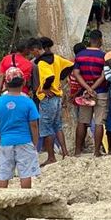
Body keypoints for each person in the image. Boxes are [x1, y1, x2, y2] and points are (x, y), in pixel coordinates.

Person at [0, 67, 40, 189]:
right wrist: (35, 141)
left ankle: (1, 202)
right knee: (25, 174)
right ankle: (25, 202)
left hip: (5, 142)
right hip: (25, 141)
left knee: (3, 174)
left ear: (5, 83)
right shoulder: (28, 102)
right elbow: (34, 125)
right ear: (24, 82)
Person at [32, 37, 73, 165]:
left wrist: (45, 88)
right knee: (57, 125)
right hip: (57, 96)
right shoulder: (56, 58)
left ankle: (51, 157)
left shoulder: (41, 63)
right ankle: (65, 153)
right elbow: (71, 65)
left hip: (48, 98)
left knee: (46, 128)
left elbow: (48, 76)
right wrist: (59, 78)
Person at [72, 30, 108, 157]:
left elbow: (76, 73)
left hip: (85, 94)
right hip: (101, 92)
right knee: (99, 122)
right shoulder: (104, 56)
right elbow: (104, 76)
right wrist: (93, 88)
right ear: (100, 40)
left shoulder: (80, 55)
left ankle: (77, 151)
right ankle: (97, 152)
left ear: (89, 40)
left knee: (82, 121)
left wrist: (87, 88)